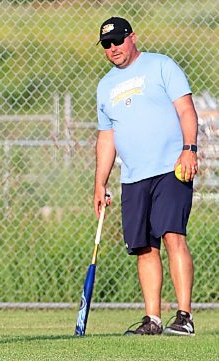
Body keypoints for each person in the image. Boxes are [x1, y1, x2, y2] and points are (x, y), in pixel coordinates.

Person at [94, 17, 198, 336]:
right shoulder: (105, 86)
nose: (113, 49)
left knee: (171, 236)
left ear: (132, 38)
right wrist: (100, 182)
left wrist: (189, 149)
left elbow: (186, 110)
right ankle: (152, 319)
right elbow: (107, 137)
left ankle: (183, 317)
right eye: (106, 45)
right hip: (133, 176)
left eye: (118, 41)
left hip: (170, 167)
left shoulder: (161, 66)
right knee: (143, 247)